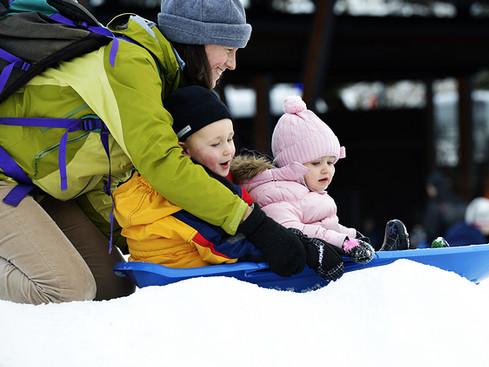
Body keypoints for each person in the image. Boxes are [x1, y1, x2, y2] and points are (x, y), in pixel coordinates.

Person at [0, 0, 307, 304]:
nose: (232, 63)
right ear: (195, 38)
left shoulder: (166, 81)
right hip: (8, 178)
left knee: (112, 288)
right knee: (68, 289)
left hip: (43, 188)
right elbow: (161, 163)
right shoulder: (131, 62)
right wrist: (254, 224)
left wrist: (153, 236)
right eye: (228, 49)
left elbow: (113, 179)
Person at [114, 86, 343, 281]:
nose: (228, 150)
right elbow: (226, 246)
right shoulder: (176, 197)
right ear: (184, 150)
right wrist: (296, 245)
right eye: (216, 144)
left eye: (230, 138)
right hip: (184, 282)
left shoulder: (191, 180)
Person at [231, 96, 410, 264]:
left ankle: (387, 258)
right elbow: (290, 231)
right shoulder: (276, 193)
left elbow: (325, 226)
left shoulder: (306, 191)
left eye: (330, 162)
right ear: (291, 165)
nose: (326, 169)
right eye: (316, 163)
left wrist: (354, 237)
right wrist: (343, 242)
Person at [422, 170, 467, 244]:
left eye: (429, 187)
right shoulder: (460, 201)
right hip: (462, 245)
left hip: (441, 247)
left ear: (433, 187)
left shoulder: (435, 206)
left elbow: (431, 233)